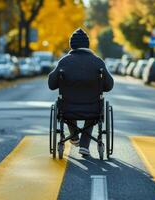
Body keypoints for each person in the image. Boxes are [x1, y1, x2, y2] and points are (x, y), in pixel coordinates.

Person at [48, 28, 114, 156]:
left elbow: (51, 85)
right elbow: (109, 85)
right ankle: (84, 145)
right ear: (87, 44)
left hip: (68, 108)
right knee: (93, 111)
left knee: (67, 109)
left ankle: (74, 137)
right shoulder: (97, 62)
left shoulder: (64, 61)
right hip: (93, 108)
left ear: (71, 44)